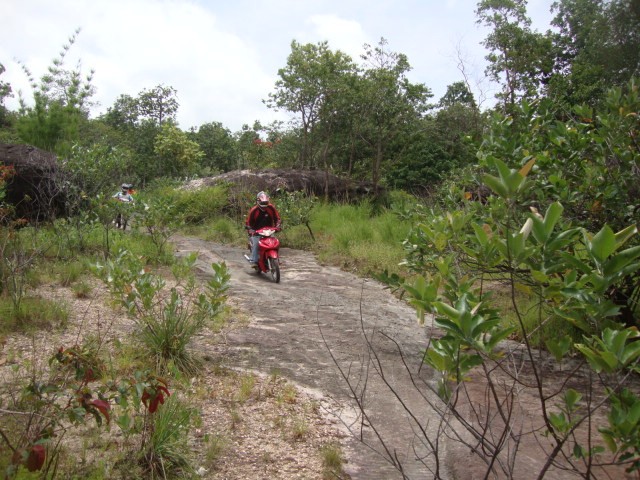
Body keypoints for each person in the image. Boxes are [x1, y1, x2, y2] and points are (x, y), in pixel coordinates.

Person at [245, 191, 281, 265]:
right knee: (256, 245)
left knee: (275, 243)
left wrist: (278, 226)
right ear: (258, 201)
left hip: (269, 231)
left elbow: (277, 218)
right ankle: (254, 260)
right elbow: (248, 222)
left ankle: (277, 259)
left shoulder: (271, 208)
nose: (264, 205)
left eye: (265, 203)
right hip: (256, 232)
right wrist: (250, 230)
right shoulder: (254, 210)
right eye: (262, 203)